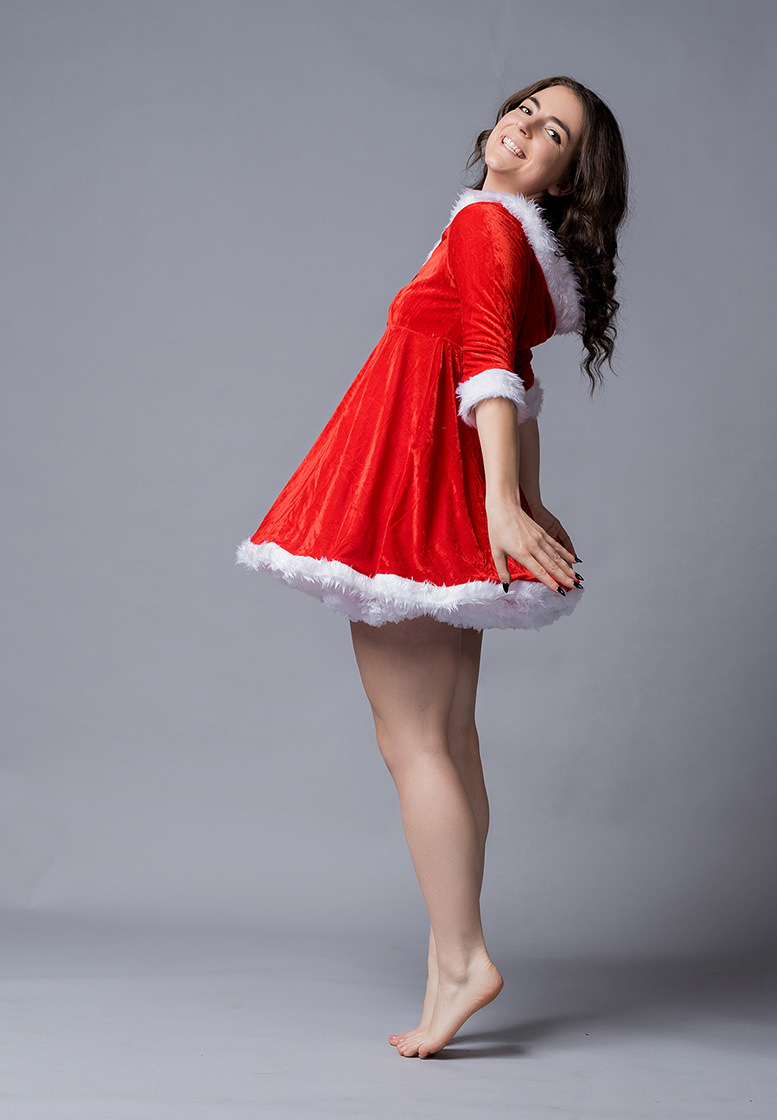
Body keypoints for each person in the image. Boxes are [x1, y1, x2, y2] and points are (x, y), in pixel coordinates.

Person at [237, 76, 628, 1058]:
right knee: (446, 736)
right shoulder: (505, 237)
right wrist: (521, 497)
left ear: (563, 176)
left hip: (412, 480)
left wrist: (504, 503)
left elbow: (492, 363)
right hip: (442, 474)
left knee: (411, 741)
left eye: (552, 135)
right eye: (526, 110)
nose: (523, 130)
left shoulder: (488, 225)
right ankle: (445, 951)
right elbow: (516, 380)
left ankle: (462, 957)